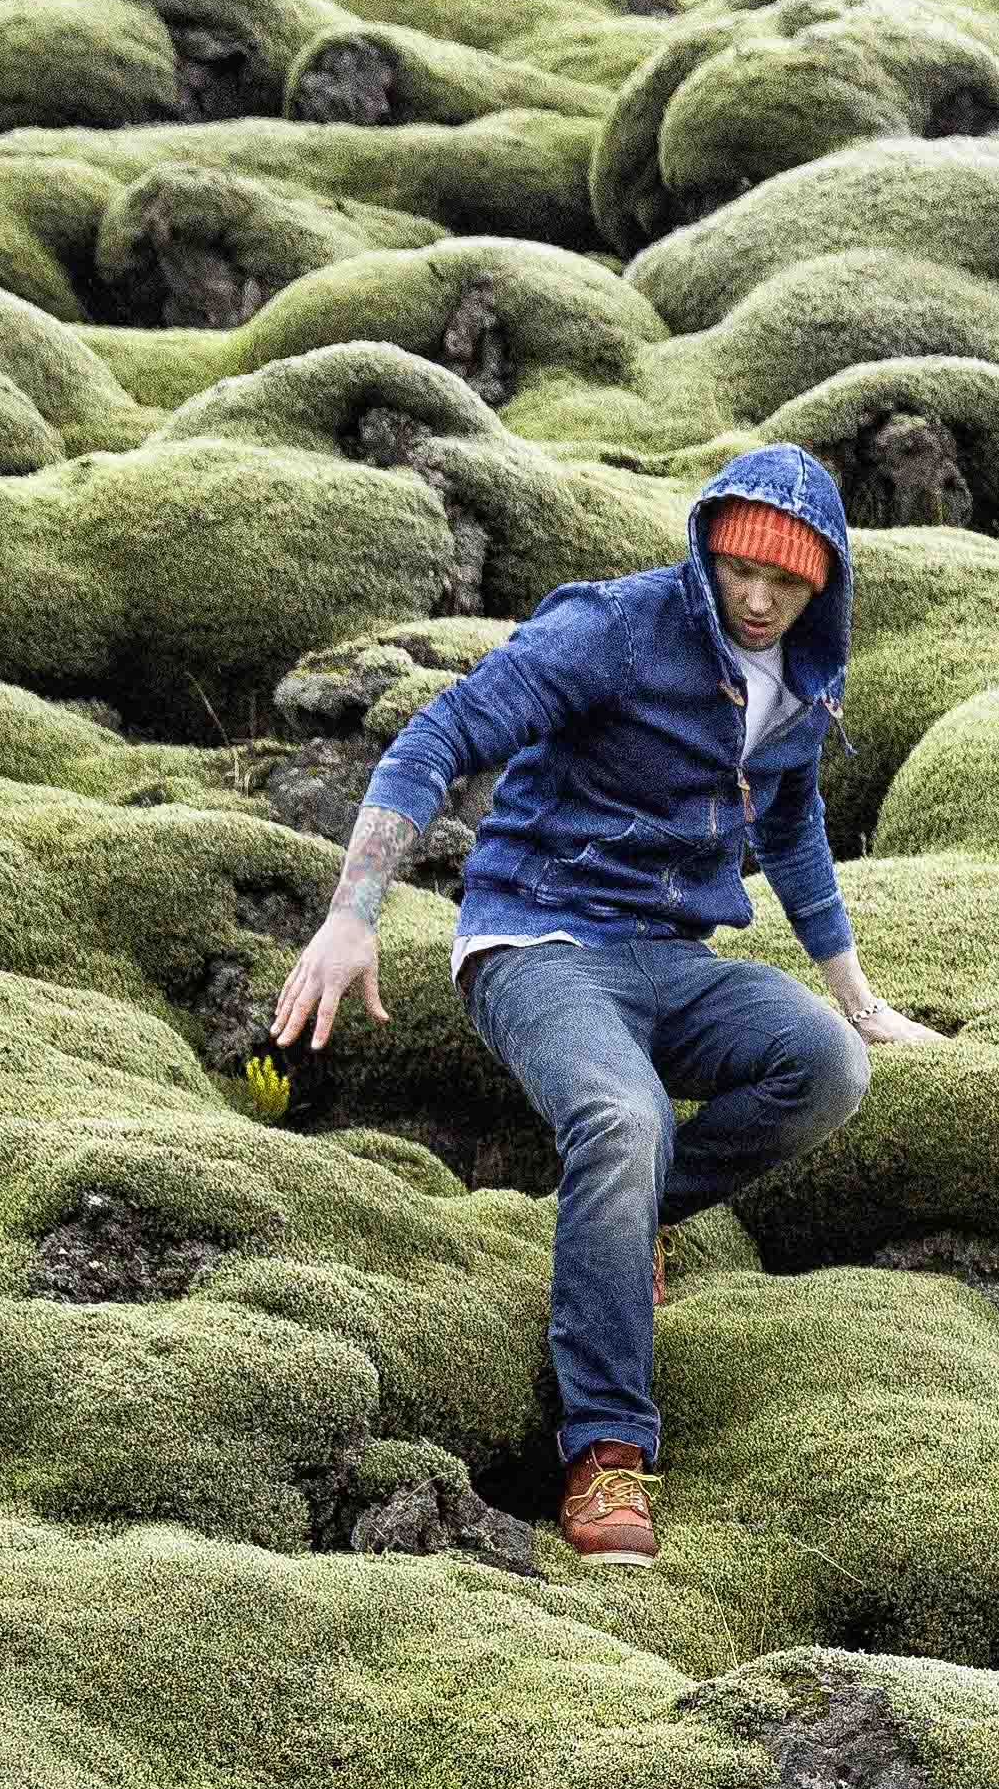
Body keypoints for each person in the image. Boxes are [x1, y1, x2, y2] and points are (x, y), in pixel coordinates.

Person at [265, 445, 918, 1566]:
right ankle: (605, 1452)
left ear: (826, 585)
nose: (759, 601)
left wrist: (857, 1000)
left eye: (790, 582)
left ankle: (626, 1220)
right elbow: (439, 734)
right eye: (740, 572)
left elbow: (795, 824)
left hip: (670, 955)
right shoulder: (614, 627)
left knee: (824, 1069)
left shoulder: (801, 678)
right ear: (707, 552)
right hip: (539, 939)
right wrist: (352, 912)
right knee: (625, 1120)